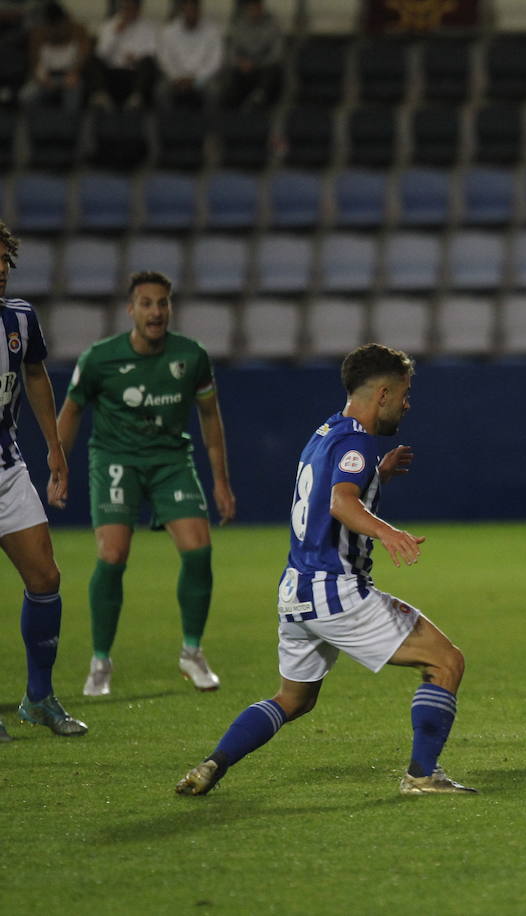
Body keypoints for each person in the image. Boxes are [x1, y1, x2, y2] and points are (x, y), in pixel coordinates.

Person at [176, 344, 477, 796]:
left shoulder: (327, 432)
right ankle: (421, 775)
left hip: (295, 590)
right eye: (405, 393)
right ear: (382, 393)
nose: (407, 403)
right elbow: (340, 502)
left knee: (294, 699)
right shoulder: (356, 439)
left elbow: (329, 495)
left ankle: (212, 763)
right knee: (447, 661)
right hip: (334, 590)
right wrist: (388, 532)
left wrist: (379, 475)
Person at [57, 270, 235, 697]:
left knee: (199, 550)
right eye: (147, 303)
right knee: (113, 554)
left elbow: (210, 418)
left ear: (170, 308)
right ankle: (100, 661)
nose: (155, 311)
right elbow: (71, 410)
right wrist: (58, 469)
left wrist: (221, 482)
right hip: (117, 460)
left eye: (162, 303)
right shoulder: (99, 359)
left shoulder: (191, 356)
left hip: (171, 459)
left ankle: (191, 653)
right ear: (131, 309)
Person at [0, 220, 86, 740]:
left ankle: (38, 698)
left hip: (7, 466)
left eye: (5, 260)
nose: (1, 270)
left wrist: (55, 447)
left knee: (45, 579)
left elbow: (34, 376)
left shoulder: (19, 319)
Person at [19, 1, 88, 112]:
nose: (56, 31)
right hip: (47, 77)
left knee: (74, 91)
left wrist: (75, 72)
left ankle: (69, 123)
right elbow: (35, 61)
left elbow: (83, 56)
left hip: (70, 76)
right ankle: (38, 124)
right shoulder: (38, 34)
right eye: (52, 27)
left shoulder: (78, 31)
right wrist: (41, 77)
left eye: (59, 25)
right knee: (26, 96)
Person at [88, 0, 158, 110]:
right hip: (112, 71)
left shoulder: (148, 28)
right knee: (93, 61)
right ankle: (101, 96)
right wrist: (116, 34)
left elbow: (152, 53)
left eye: (131, 9)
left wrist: (136, 58)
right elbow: (101, 53)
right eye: (125, 8)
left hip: (134, 73)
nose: (128, 12)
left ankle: (136, 99)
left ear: (138, 9)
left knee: (148, 64)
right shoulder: (109, 25)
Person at [155, 0, 221, 110]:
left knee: (214, 91)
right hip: (175, 79)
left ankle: (210, 127)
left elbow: (215, 62)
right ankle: (167, 126)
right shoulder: (168, 32)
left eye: (193, 10)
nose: (190, 14)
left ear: (199, 11)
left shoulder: (213, 32)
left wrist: (196, 80)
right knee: (161, 90)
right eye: (187, 10)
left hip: (202, 80)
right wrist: (176, 77)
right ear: (182, 11)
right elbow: (164, 60)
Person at [219, 0, 282, 111]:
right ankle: (231, 113)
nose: (254, 11)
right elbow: (231, 53)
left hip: (263, 68)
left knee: (272, 72)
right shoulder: (239, 25)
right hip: (243, 69)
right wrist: (241, 63)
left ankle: (258, 99)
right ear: (246, 9)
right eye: (251, 8)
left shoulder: (272, 24)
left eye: (257, 7)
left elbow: (276, 54)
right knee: (230, 79)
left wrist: (256, 63)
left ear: (262, 7)